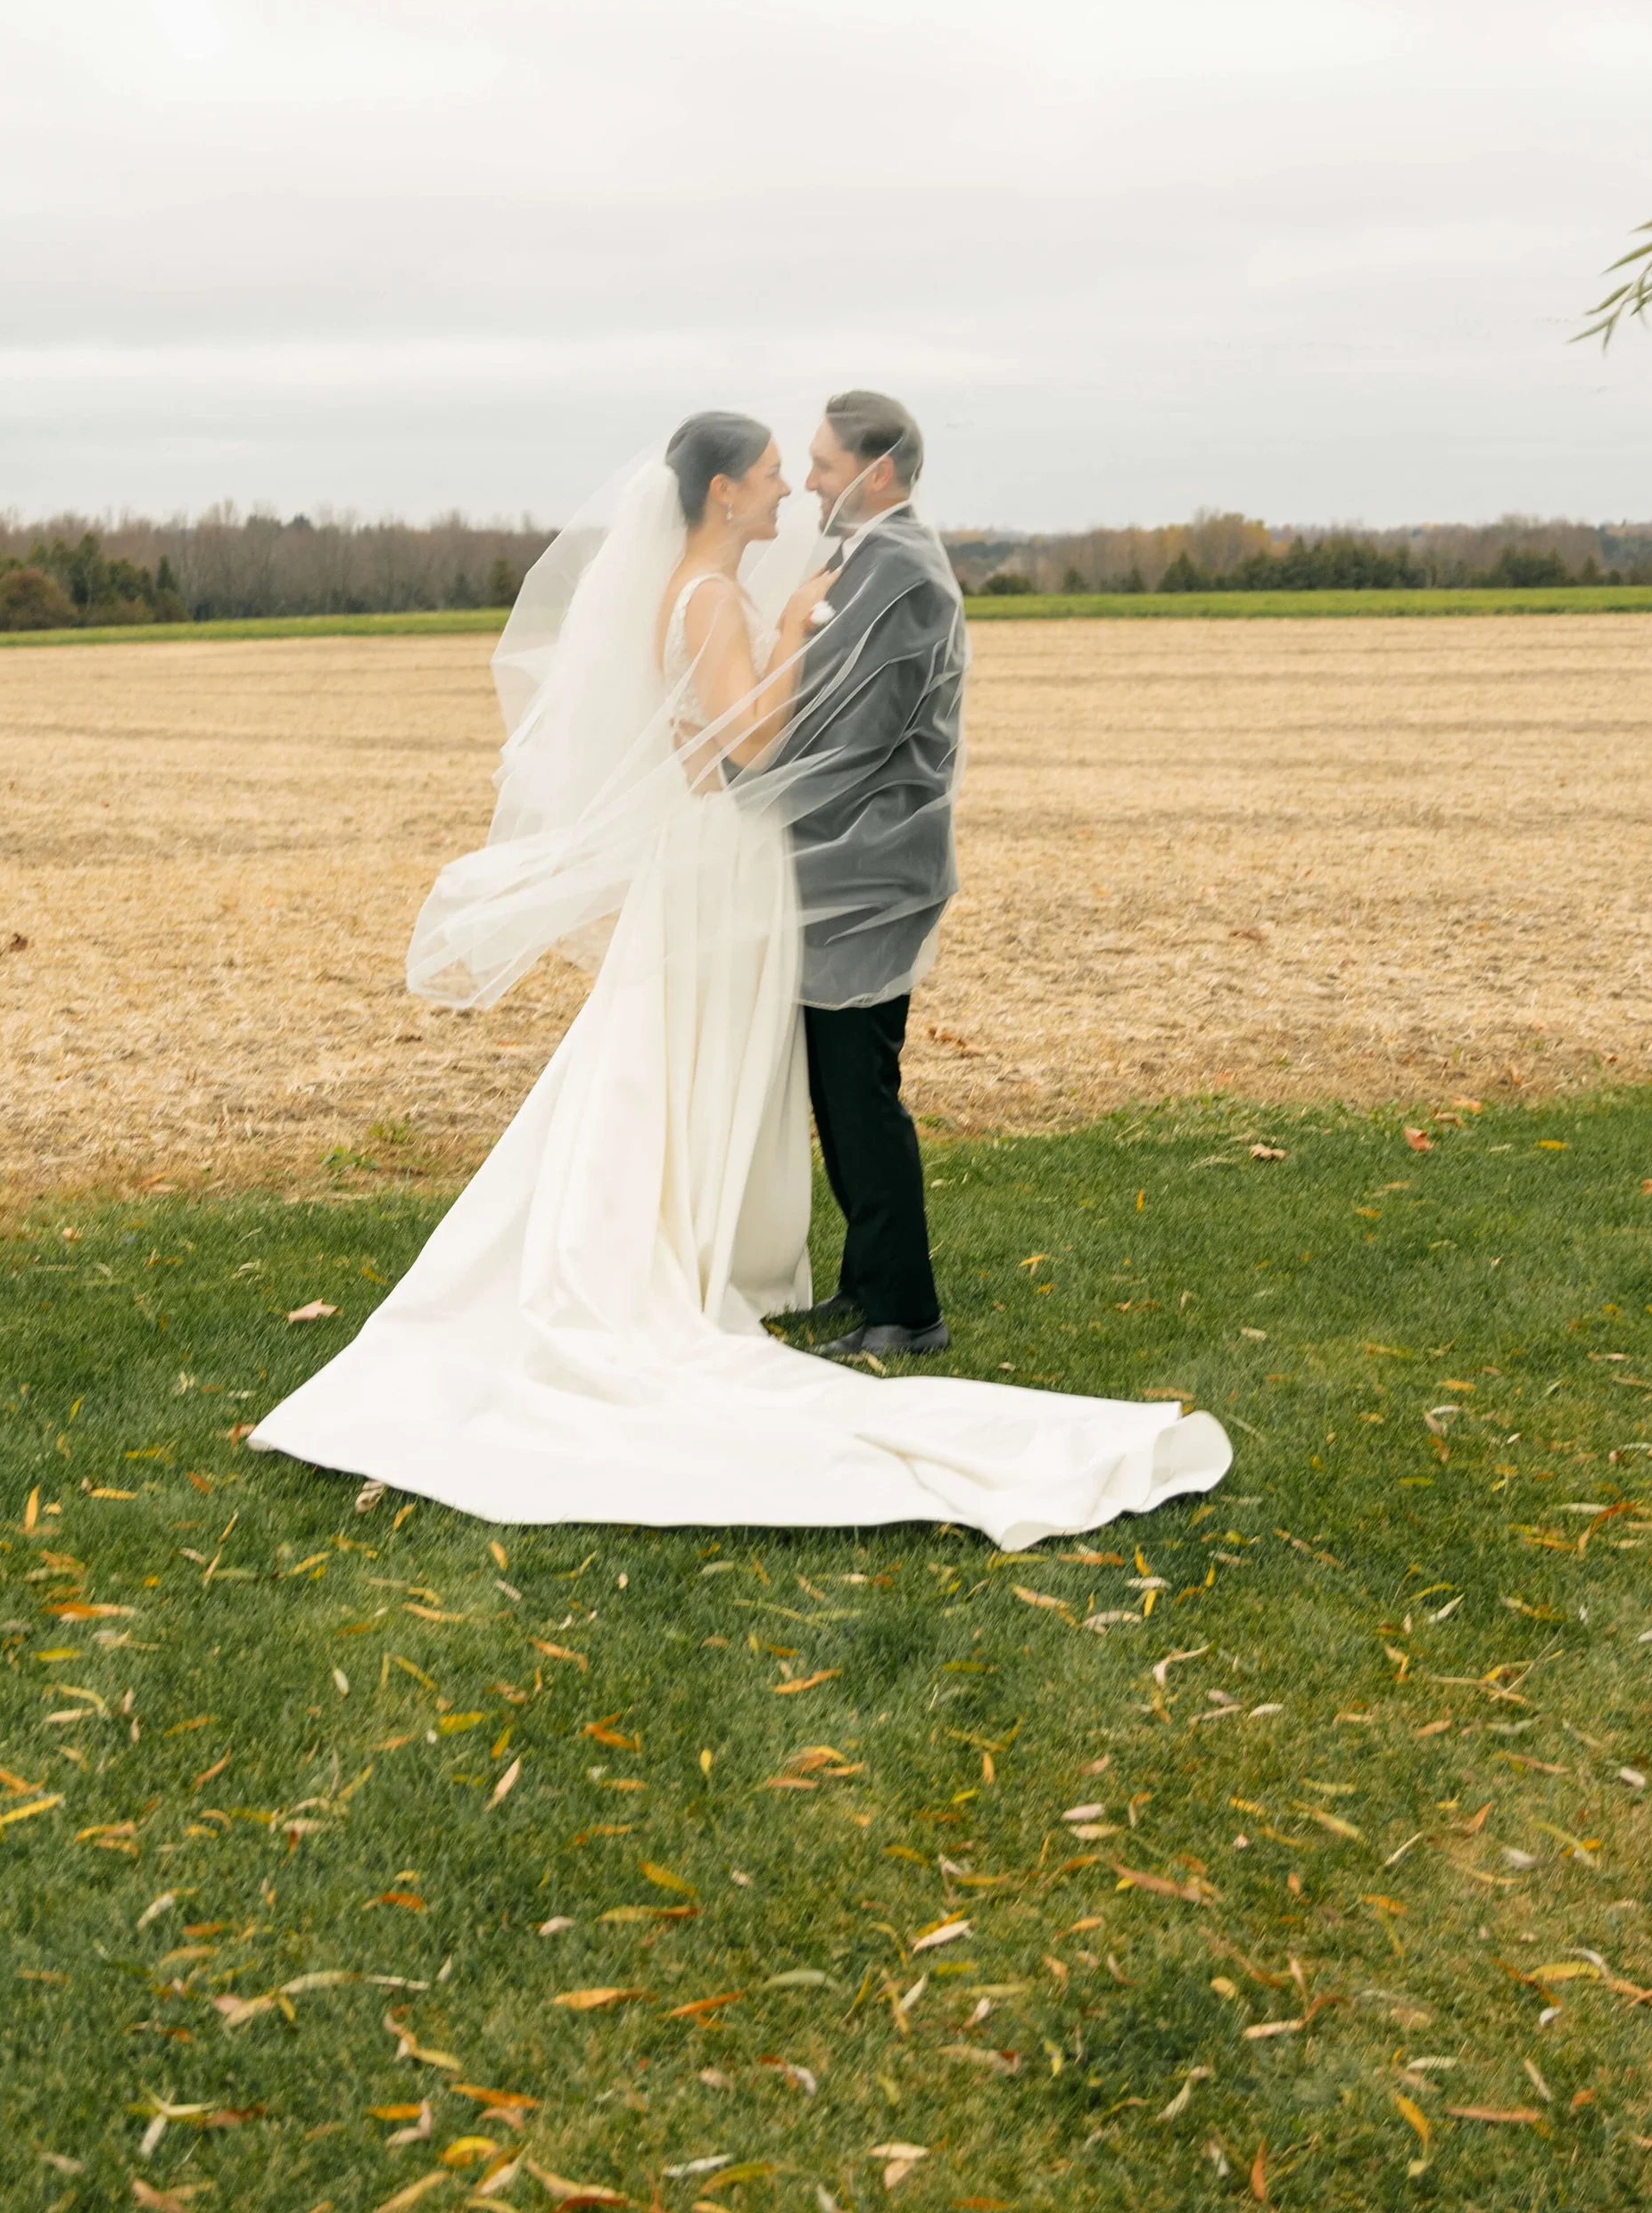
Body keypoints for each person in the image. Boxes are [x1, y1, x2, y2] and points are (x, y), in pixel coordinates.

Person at [249, 412, 1229, 1548]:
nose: (787, 493)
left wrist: (799, 627)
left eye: (801, 469)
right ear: (722, 492)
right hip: (723, 861)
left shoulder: (714, 583)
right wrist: (806, 633)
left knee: (693, 1066)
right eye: (772, 474)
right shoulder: (712, 598)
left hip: (730, 860)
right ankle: (704, 1267)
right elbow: (752, 745)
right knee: (691, 1064)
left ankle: (728, 1254)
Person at [768, 390, 962, 1363]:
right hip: (838, 863)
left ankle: (907, 1312)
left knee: (861, 1089)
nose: (809, 482)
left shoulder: (904, 573)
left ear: (877, 471)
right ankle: (863, 1285)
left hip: (874, 868)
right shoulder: (863, 559)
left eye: (824, 465)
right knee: (837, 1088)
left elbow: (862, 737)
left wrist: (744, 779)